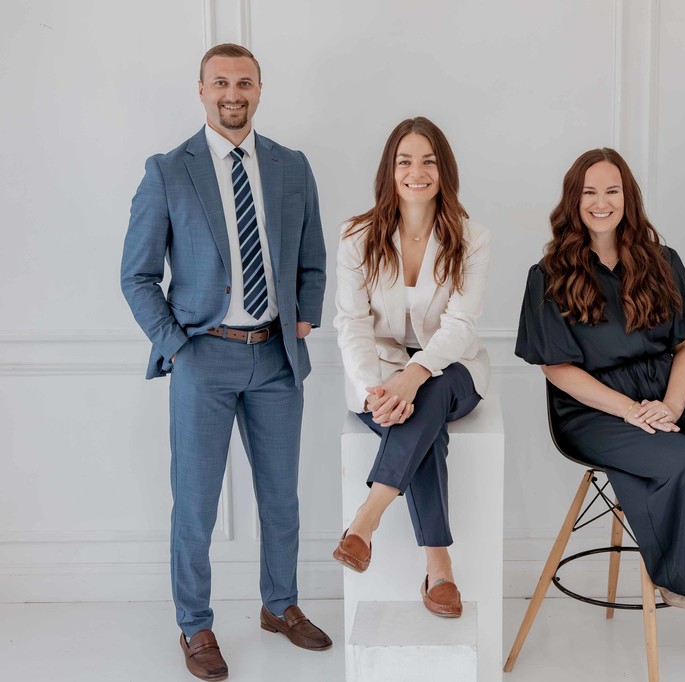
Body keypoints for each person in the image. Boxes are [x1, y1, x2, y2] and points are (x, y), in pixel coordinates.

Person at [120, 43, 330, 681]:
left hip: (276, 357)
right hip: (202, 357)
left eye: (244, 82)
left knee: (282, 498)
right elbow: (136, 276)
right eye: (220, 83)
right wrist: (177, 345)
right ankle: (195, 624)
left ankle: (280, 604)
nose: (232, 94)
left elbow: (312, 257)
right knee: (196, 504)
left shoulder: (291, 166)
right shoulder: (167, 171)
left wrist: (305, 314)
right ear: (202, 90)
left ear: (259, 89)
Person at [515, 148, 685, 610]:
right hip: (593, 408)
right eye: (589, 192)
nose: (601, 202)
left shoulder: (663, 260)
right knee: (684, 460)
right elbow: (556, 367)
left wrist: (671, 406)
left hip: (667, 390)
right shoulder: (548, 275)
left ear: (628, 198)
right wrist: (630, 411)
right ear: (573, 200)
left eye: (612, 191)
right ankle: (672, 572)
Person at [332, 116, 491, 619]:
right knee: (426, 428)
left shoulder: (472, 238)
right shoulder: (357, 237)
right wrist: (371, 388)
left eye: (428, 161)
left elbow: (460, 324)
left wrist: (415, 374)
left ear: (444, 171)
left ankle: (366, 519)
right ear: (390, 169)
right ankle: (439, 567)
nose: (416, 172)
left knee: (431, 394)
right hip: (379, 372)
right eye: (405, 161)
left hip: (453, 368)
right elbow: (351, 323)